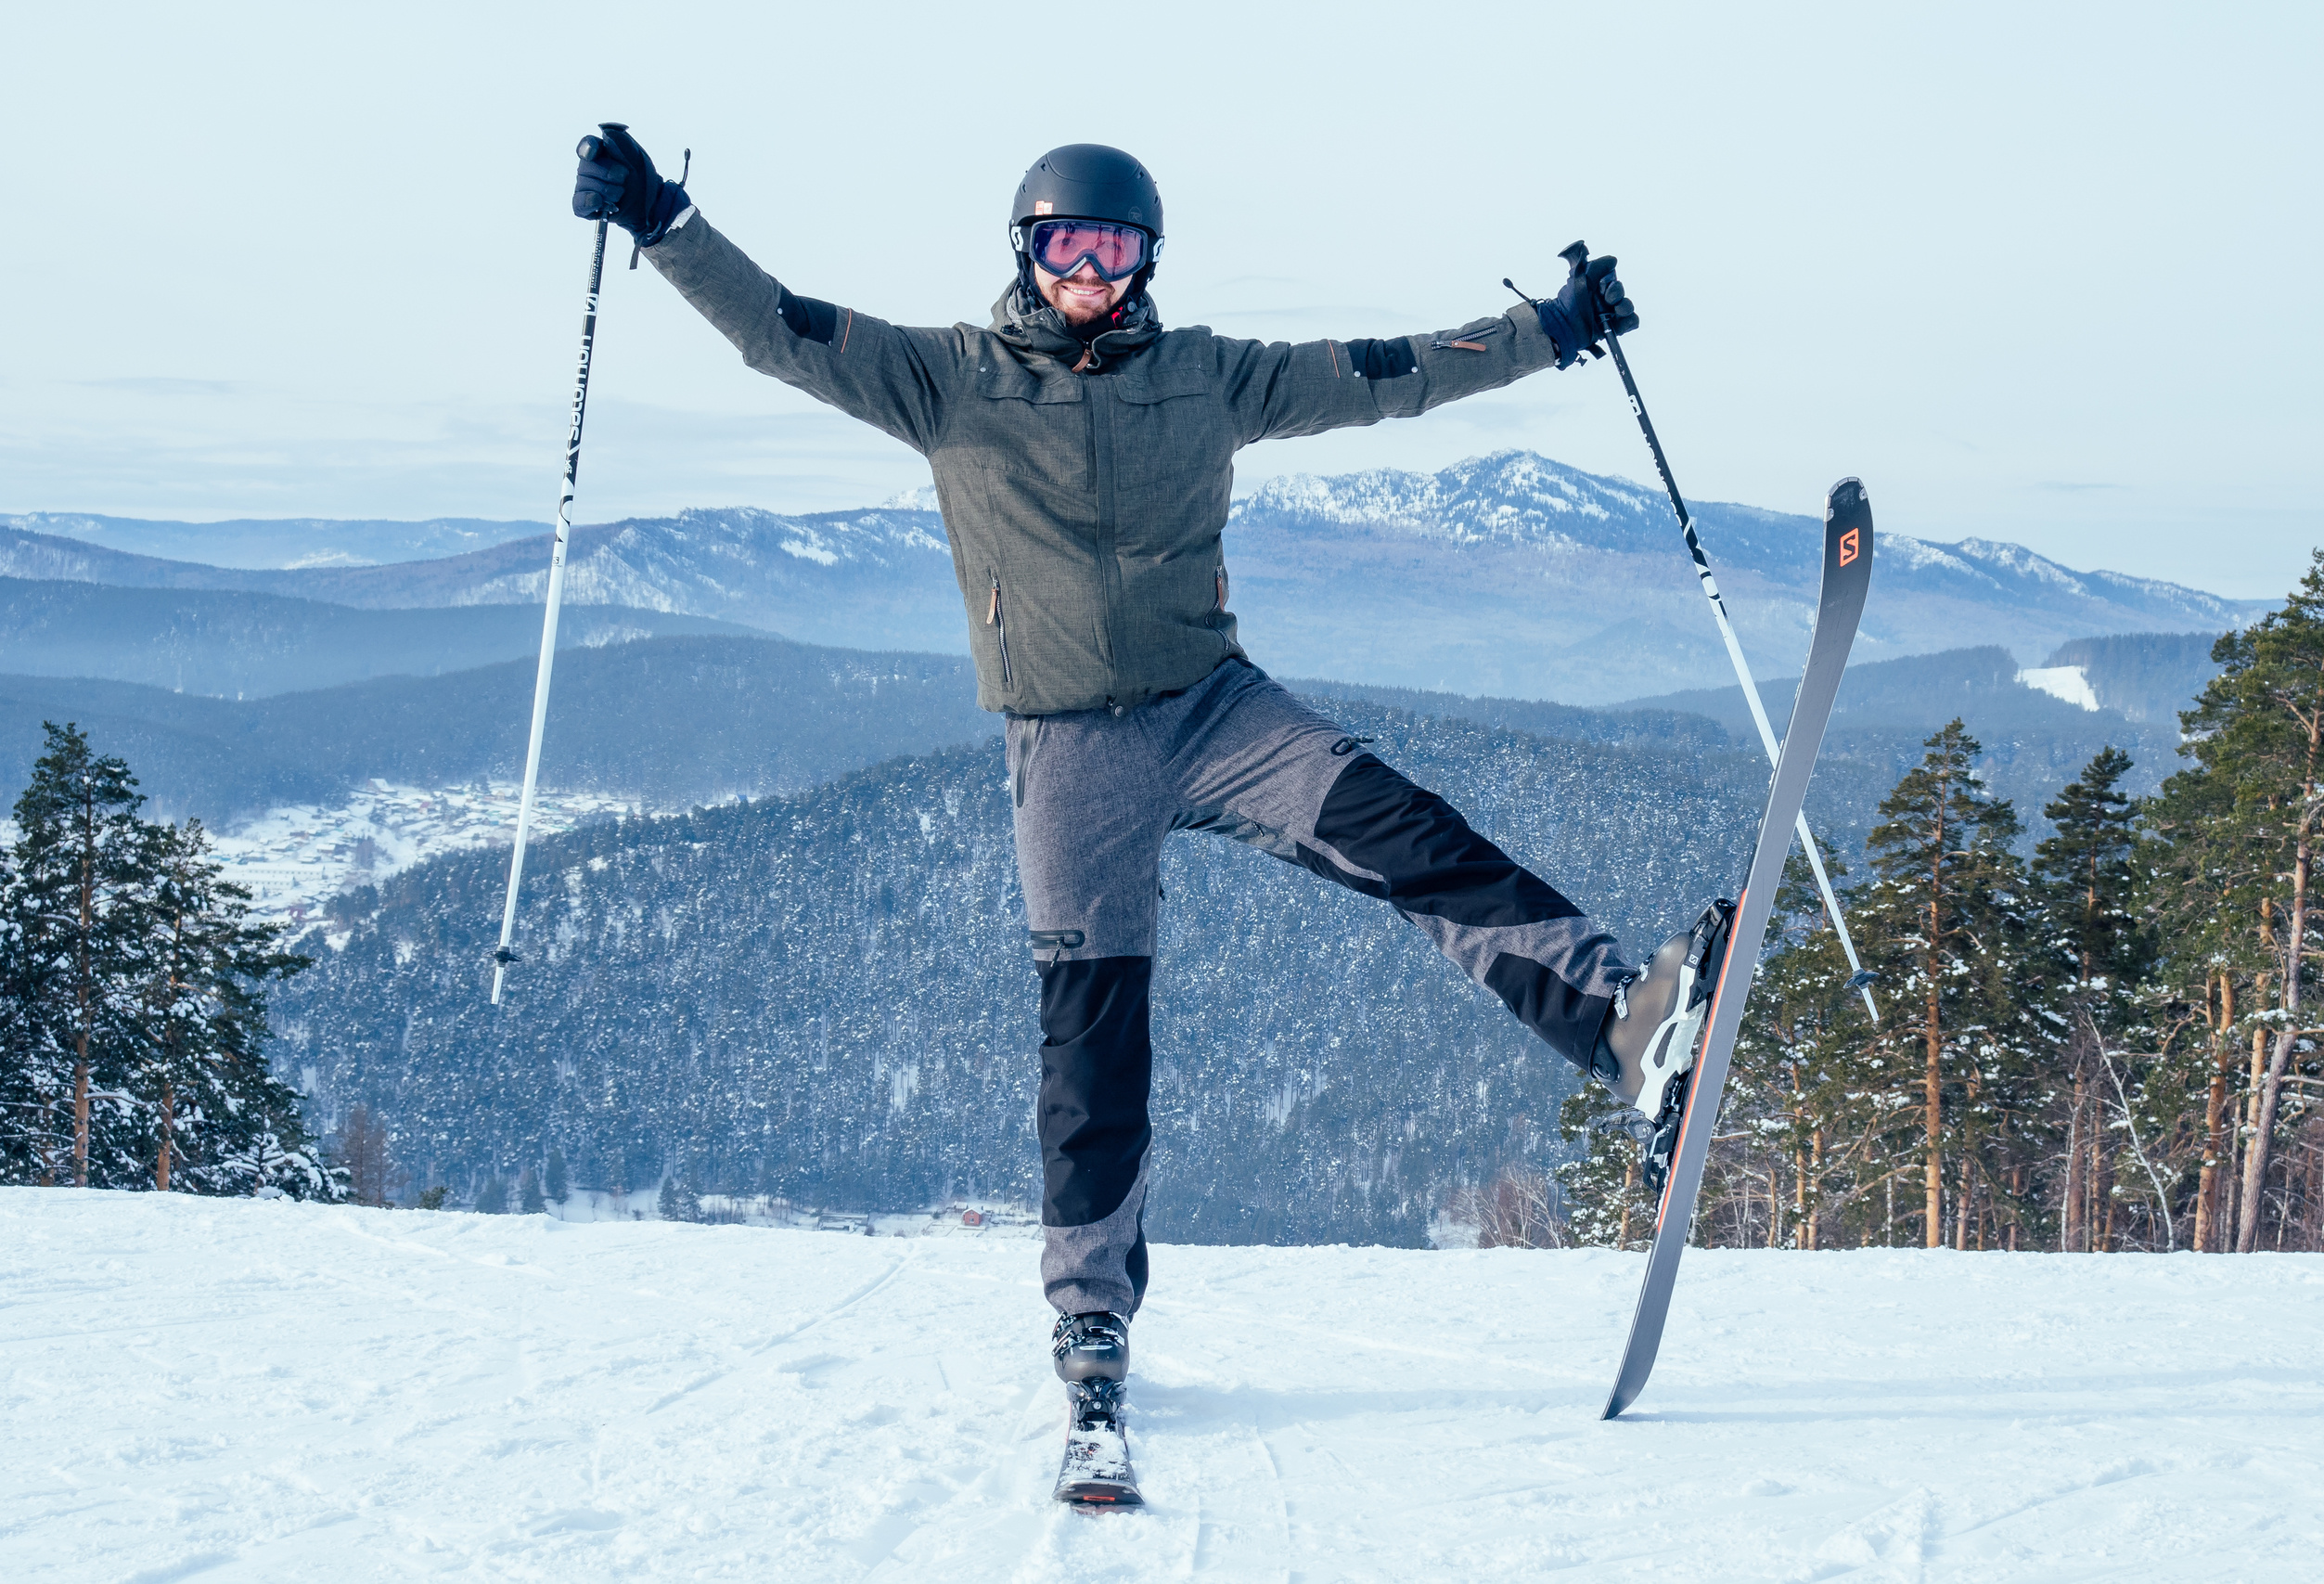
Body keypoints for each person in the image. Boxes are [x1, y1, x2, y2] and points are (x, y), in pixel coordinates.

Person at [571, 131, 1707, 1408]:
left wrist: (1550, 331)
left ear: (1148, 260)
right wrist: (663, 221)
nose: (1091, 273)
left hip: (1217, 710)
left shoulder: (1207, 377)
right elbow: (779, 328)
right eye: (1067, 245)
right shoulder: (944, 379)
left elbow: (1382, 375)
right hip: (1068, 747)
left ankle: (1623, 1026)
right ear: (1028, 250)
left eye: (1116, 248)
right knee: (1093, 1040)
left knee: (1411, 834)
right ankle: (1091, 1317)